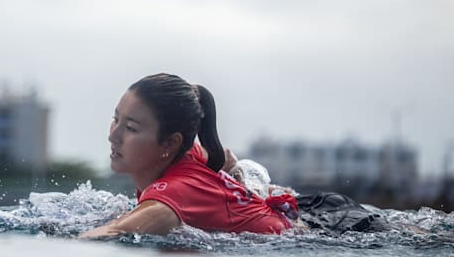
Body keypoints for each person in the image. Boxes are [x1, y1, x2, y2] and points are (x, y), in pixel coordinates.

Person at [79, 73, 298, 239]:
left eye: (131, 128)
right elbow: (226, 158)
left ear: (171, 142)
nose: (113, 136)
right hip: (295, 218)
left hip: (305, 234)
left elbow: (114, 232)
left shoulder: (171, 197)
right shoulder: (188, 152)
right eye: (115, 119)